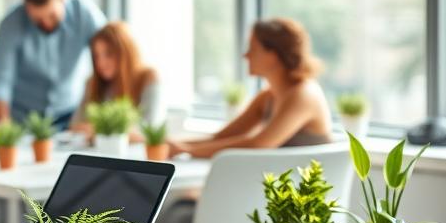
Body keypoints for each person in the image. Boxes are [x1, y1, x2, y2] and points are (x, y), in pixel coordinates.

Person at [167, 18, 333, 159]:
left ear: (273, 55)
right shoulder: (268, 96)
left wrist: (188, 150)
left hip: (307, 194)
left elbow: (260, 144)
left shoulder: (304, 94)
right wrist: (173, 144)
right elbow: (223, 136)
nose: (245, 56)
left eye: (252, 49)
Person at [0, 0, 106, 130]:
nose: (46, 23)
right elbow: (0, 82)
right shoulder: (11, 23)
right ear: (26, 7)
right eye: (38, 19)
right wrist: (4, 128)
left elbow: (111, 50)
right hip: (23, 120)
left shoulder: (83, 13)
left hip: (70, 116)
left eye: (52, 15)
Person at [70, 21, 163, 142]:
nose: (101, 63)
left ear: (125, 52)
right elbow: (75, 125)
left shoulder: (149, 77)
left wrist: (98, 130)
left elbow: (149, 131)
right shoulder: (92, 82)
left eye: (108, 54)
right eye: (96, 56)